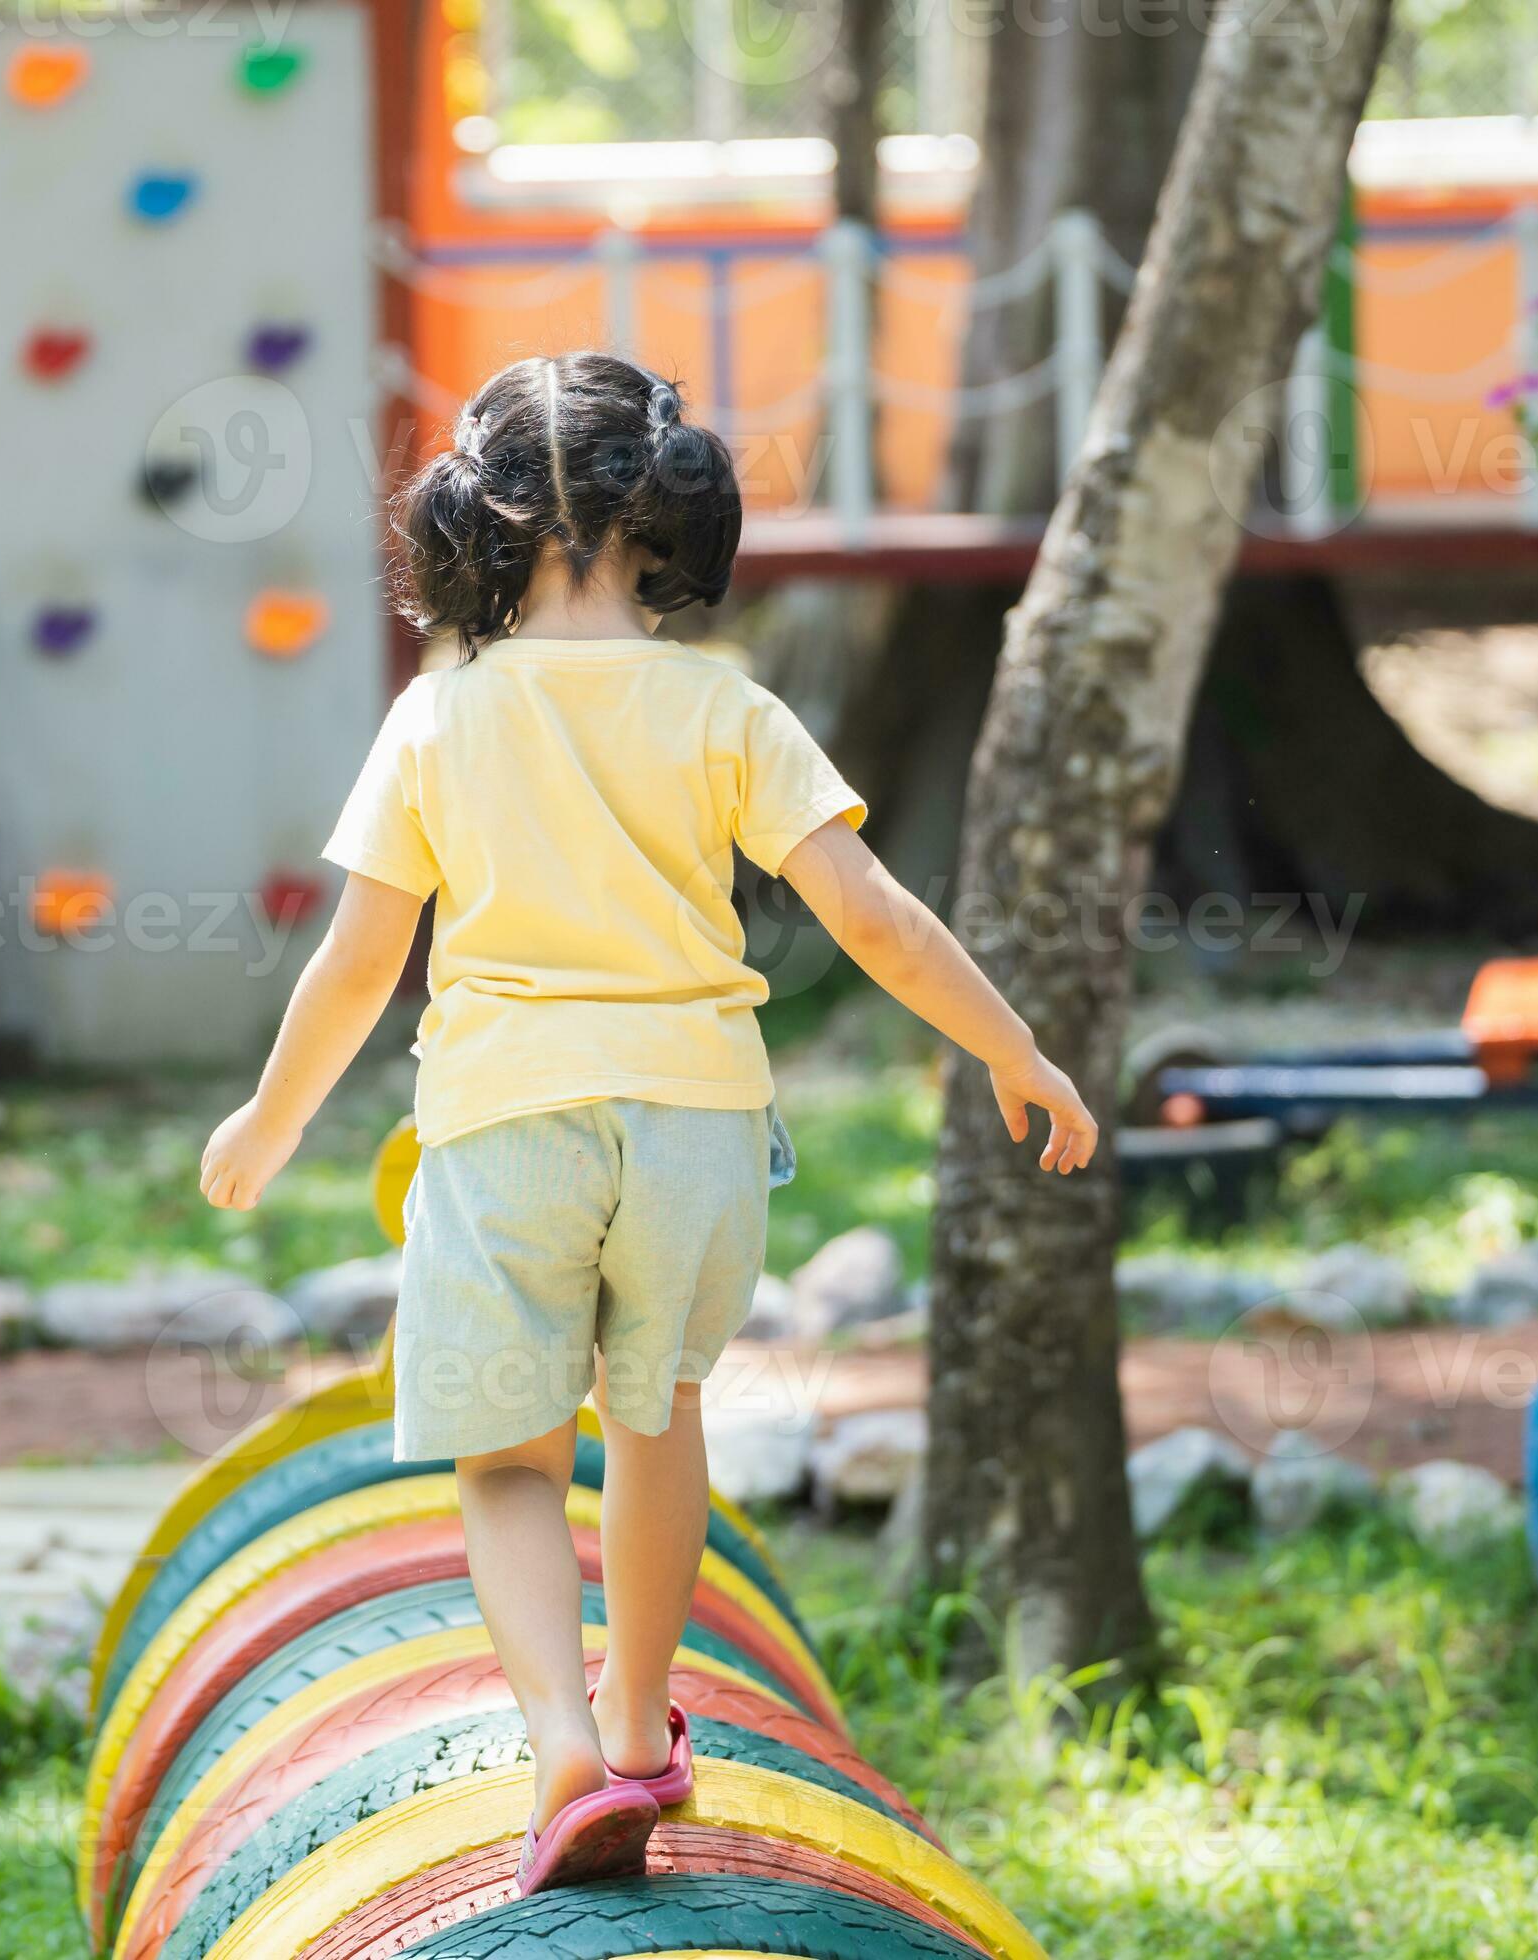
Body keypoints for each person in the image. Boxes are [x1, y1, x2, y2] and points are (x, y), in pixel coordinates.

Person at [198, 350, 1099, 1896]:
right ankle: (633, 1726)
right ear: (667, 517)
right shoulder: (722, 707)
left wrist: (272, 1121)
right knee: (660, 1412)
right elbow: (871, 917)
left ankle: (552, 1732)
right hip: (694, 1119)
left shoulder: (437, 717)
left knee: (508, 1463)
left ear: (468, 528)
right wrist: (1015, 1049)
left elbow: (362, 956)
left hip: (505, 1124)